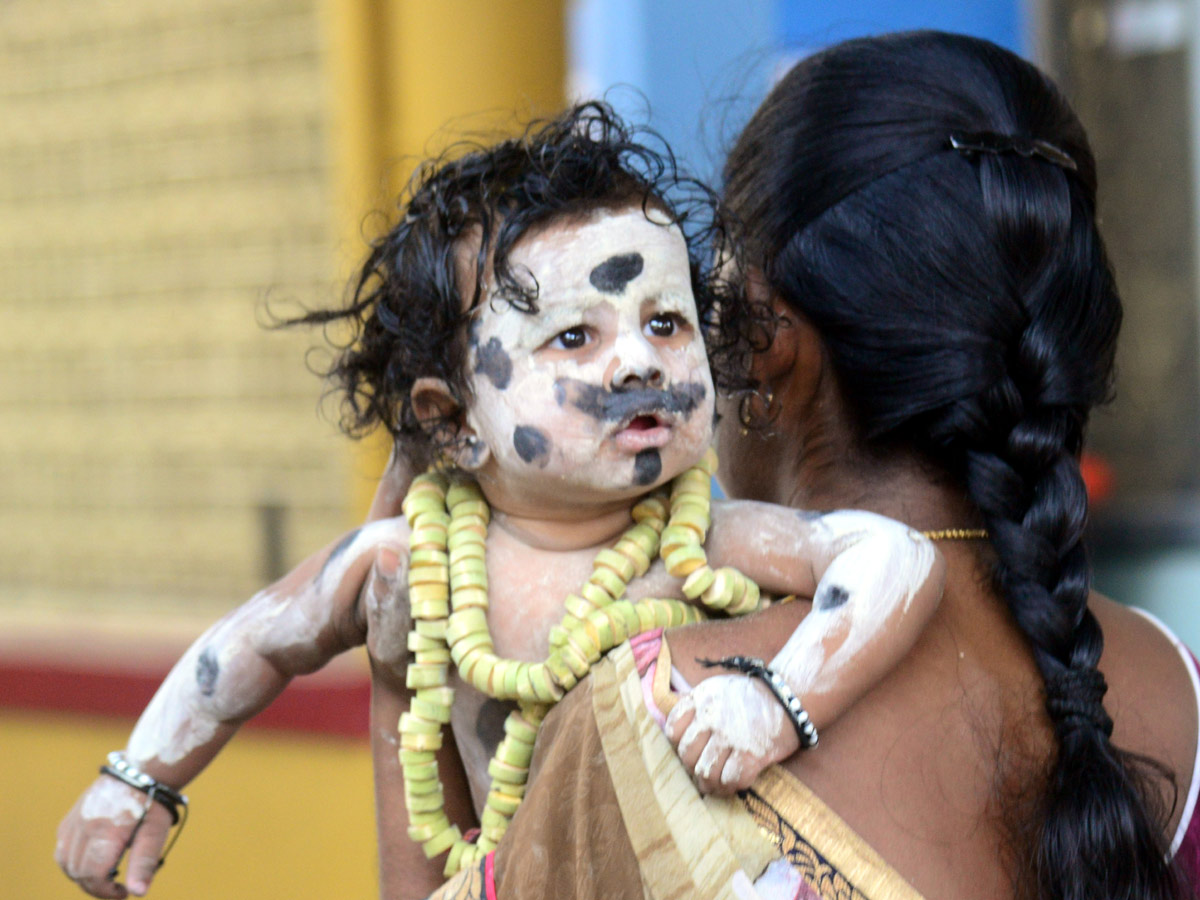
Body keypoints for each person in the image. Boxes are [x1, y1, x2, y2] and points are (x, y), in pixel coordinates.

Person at [54, 103, 945, 900]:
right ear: (450, 425)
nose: (637, 361)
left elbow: (894, 560)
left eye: (665, 323)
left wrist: (778, 702)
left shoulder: (706, 542)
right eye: (574, 336)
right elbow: (249, 642)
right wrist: (137, 780)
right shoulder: (413, 562)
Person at [424, 31, 1200, 900]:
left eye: (681, 314)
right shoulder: (1177, 680)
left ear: (768, 339)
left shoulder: (657, 718)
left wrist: (400, 677)